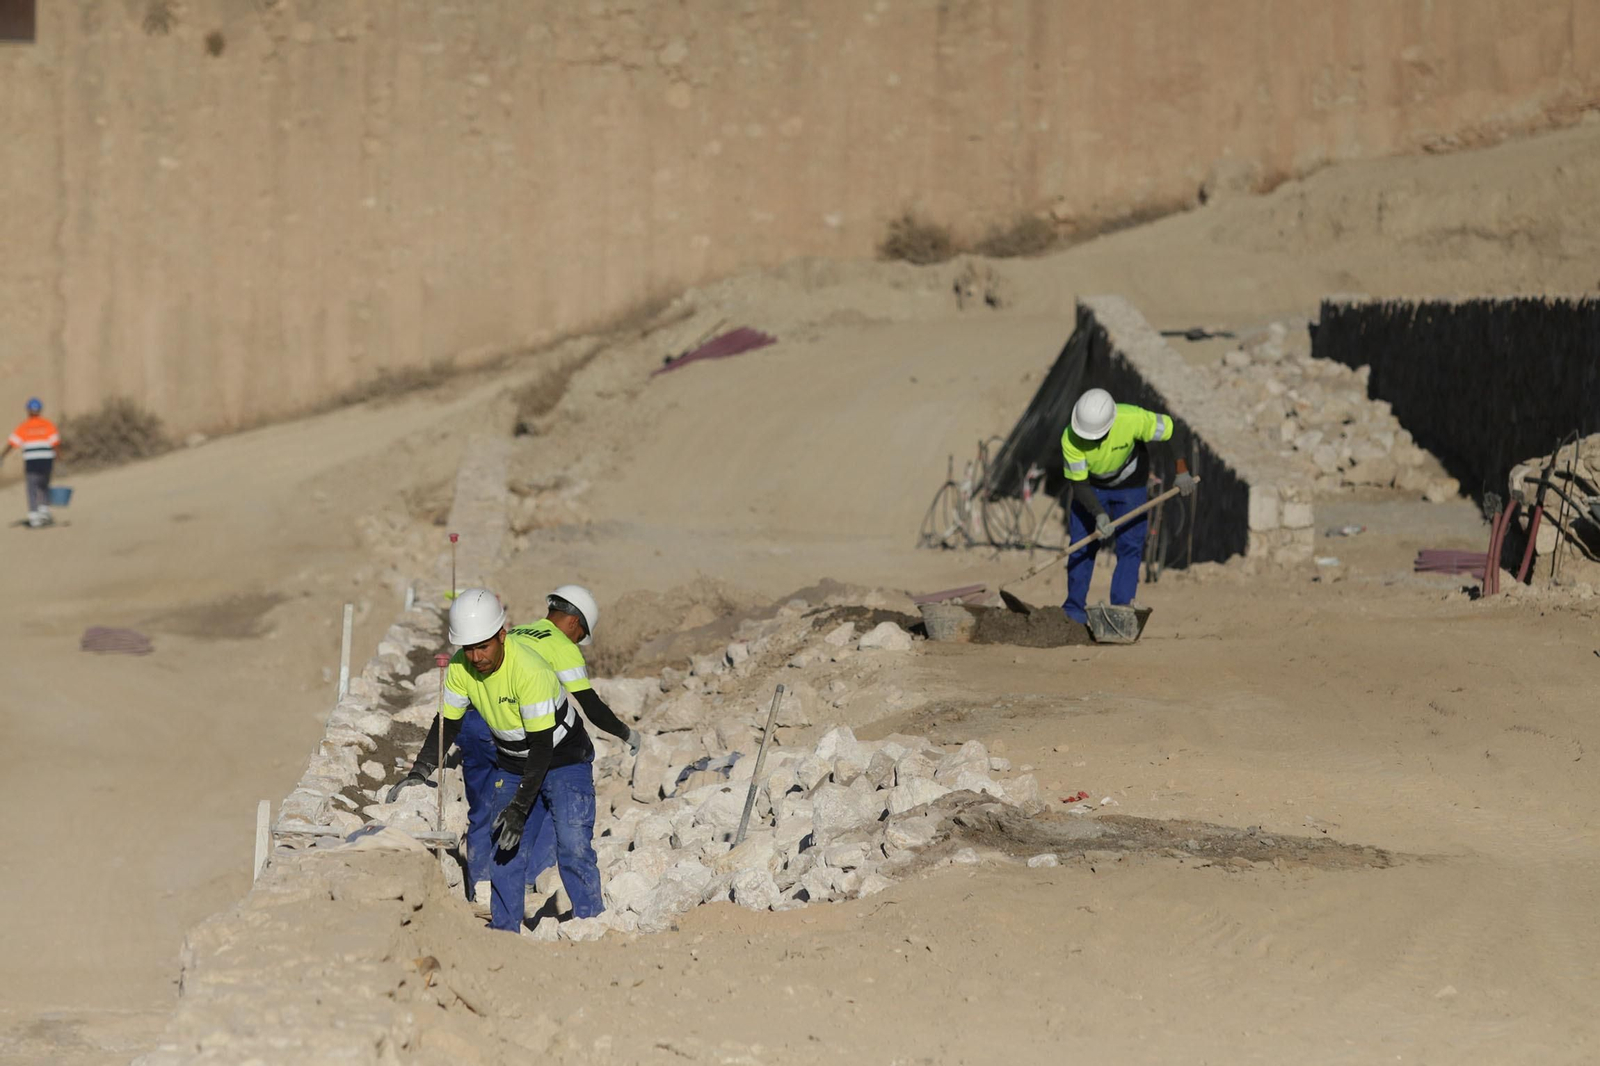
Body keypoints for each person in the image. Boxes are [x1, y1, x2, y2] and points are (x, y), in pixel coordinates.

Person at [384, 588, 579, 933]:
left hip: (518, 743)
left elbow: (541, 747)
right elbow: (447, 722)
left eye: (482, 647)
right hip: (487, 735)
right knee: (496, 810)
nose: (475, 656)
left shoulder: (528, 670)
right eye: (468, 648)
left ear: (502, 635)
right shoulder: (462, 667)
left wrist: (520, 807)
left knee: (517, 806)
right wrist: (421, 770)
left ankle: (516, 884)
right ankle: (502, 888)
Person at [456, 585, 642, 914]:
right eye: (580, 634)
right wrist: (626, 733)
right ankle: (534, 882)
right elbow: (592, 707)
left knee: (488, 808)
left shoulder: (516, 632)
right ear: (574, 623)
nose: (577, 641)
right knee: (547, 803)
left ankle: (483, 890)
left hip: (476, 721)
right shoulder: (560, 646)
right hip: (525, 734)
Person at [1060, 388, 1194, 625]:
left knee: (1130, 545)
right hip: (1091, 489)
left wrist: (1181, 469)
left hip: (1130, 486)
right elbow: (1079, 485)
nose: (1092, 442)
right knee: (1081, 547)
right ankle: (1073, 611)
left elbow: (1171, 429)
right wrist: (1099, 514)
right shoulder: (1070, 438)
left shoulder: (1131, 419)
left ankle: (1121, 608)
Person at [2, 398, 61, 528]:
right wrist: (59, 458)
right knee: (44, 485)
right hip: (46, 460)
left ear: (28, 410)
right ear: (40, 410)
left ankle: (34, 516)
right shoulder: (48, 424)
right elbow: (55, 443)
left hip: (32, 461)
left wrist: (2, 456)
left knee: (32, 488)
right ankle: (44, 511)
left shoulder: (24, 426)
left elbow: (12, 443)